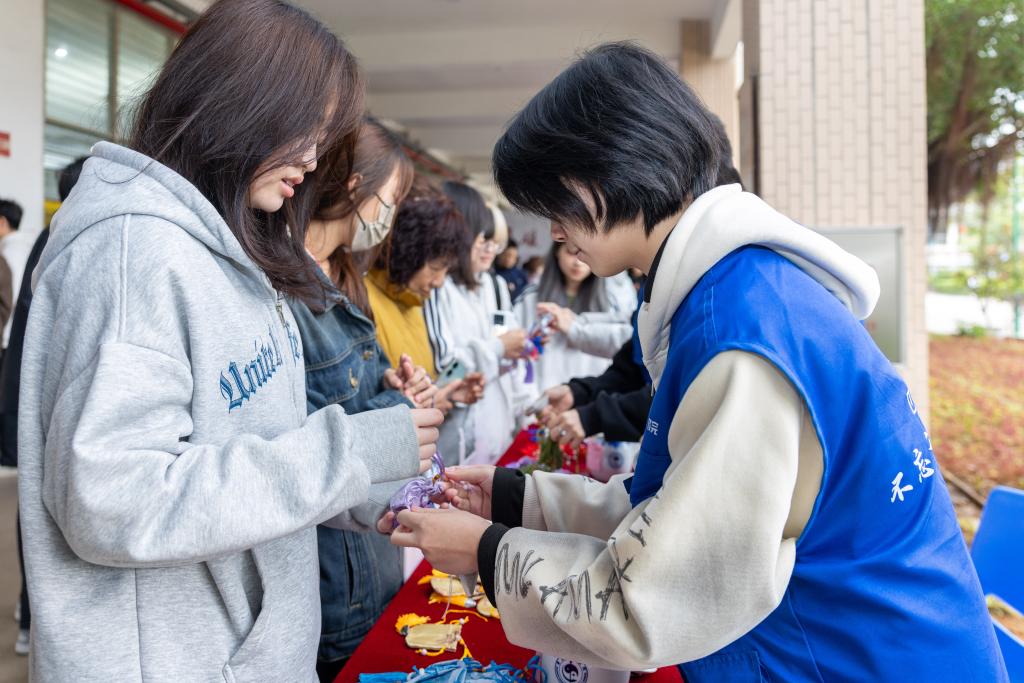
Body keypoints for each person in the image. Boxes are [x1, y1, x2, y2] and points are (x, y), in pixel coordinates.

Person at [385, 42, 1007, 681]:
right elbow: (681, 514)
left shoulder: (740, 334)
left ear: (611, 170)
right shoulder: (744, 292)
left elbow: (654, 600)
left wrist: (489, 553)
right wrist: (516, 500)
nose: (555, 231)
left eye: (554, 205)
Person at [18, 2, 442, 680]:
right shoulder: (133, 250)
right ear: (244, 104)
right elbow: (112, 502)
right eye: (306, 130)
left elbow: (249, 446)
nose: (312, 159)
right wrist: (351, 451)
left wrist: (381, 493)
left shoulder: (235, 250)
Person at [288, 119, 442, 682]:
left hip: (370, 547)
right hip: (334, 566)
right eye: (390, 200)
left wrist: (398, 390)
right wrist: (398, 416)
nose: (389, 218)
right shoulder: (286, 290)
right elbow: (299, 436)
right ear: (355, 186)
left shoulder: (346, 277)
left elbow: (358, 394)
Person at [1, 157, 88, 656]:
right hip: (50, 409)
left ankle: (30, 615)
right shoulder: (66, 240)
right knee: (42, 512)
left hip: (39, 403)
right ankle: (33, 618)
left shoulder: (52, 238)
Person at [425, 182, 532, 465]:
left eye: (495, 242)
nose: (489, 249)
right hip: (453, 443)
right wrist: (498, 348)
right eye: (482, 238)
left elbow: (510, 355)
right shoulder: (435, 288)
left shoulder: (494, 286)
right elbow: (446, 371)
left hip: (497, 430)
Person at [365, 186, 472, 391]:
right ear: (409, 253)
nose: (439, 282)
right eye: (435, 268)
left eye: (446, 270)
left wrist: (443, 396)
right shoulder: (363, 300)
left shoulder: (415, 303)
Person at [517, 242, 635, 392]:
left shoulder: (613, 301)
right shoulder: (530, 298)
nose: (578, 262)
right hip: (542, 389)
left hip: (588, 392)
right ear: (557, 251)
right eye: (571, 252)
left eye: (585, 254)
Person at [0, 198, 33, 352]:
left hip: (9, 336)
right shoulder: (27, 248)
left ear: (2, 221)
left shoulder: (10, 253)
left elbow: (11, 297)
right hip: (20, 335)